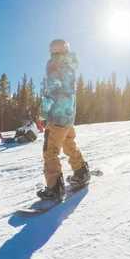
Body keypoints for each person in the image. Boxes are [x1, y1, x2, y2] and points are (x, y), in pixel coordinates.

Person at [36, 39, 90, 200]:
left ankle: (55, 188)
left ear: (52, 50)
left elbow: (53, 87)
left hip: (57, 117)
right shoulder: (70, 66)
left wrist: (43, 113)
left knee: (50, 151)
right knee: (68, 145)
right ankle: (82, 172)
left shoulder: (54, 63)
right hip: (69, 117)